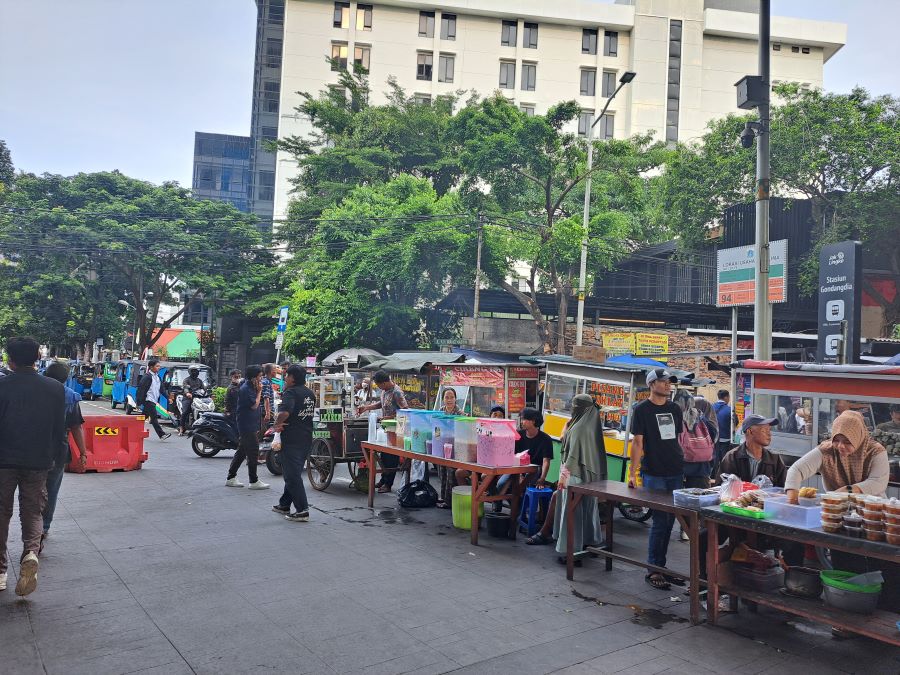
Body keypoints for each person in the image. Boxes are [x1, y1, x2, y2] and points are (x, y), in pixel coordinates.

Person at [0, 337, 66, 596]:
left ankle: (0, 571)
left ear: (10, 360)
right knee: (33, 511)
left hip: (3, 461)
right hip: (39, 461)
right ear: (38, 358)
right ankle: (30, 552)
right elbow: (58, 429)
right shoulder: (54, 388)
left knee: (1, 513)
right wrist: (55, 458)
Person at [628, 368, 684, 591]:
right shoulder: (641, 410)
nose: (668, 385)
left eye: (669, 382)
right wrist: (633, 473)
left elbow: (676, 439)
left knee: (670, 522)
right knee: (660, 521)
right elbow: (637, 443)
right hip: (653, 472)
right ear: (651, 384)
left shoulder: (674, 408)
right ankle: (654, 569)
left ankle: (661, 566)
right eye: (663, 382)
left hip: (676, 470)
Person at [785, 410, 889, 501]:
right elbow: (796, 470)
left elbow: (877, 482)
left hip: (872, 510)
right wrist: (792, 499)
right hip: (836, 509)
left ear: (858, 438)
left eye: (847, 441)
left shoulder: (876, 451)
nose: (840, 446)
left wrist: (847, 490)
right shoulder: (826, 450)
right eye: (836, 440)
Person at [552, 394, 605, 565]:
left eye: (575, 406)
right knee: (588, 511)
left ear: (580, 408)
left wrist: (562, 478)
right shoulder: (590, 425)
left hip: (573, 477)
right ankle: (589, 543)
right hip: (590, 476)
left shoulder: (579, 428)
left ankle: (571, 552)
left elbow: (572, 456)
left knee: (571, 514)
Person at [41, 363, 88, 551]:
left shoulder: (33, 390)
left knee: (30, 492)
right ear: (65, 378)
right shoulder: (70, 396)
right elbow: (76, 427)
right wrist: (83, 453)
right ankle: (43, 528)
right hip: (57, 451)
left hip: (29, 450)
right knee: (51, 491)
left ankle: (31, 529)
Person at [272, 365, 316, 522]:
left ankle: (302, 509)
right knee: (294, 472)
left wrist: (276, 424)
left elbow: (285, 412)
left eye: (286, 376)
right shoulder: (310, 393)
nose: (285, 379)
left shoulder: (290, 392)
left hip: (292, 438)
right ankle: (284, 504)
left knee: (291, 475)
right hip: (306, 437)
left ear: (293, 378)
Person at [494, 408, 554, 512]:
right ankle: (498, 507)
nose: (521, 422)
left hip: (534, 470)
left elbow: (546, 461)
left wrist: (542, 478)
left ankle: (519, 512)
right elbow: (512, 454)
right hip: (516, 468)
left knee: (521, 487)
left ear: (534, 421)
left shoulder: (546, 439)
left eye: (524, 419)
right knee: (501, 484)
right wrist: (519, 474)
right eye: (521, 419)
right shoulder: (519, 435)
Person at [359, 370, 408, 493]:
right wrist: (367, 408)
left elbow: (405, 411)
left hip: (397, 429)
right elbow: (381, 404)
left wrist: (390, 417)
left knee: (392, 457)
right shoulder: (385, 391)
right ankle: (383, 479)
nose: (379, 387)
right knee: (384, 455)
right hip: (387, 428)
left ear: (385, 382)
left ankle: (388, 484)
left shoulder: (397, 392)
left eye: (380, 385)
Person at [225, 365, 270, 490]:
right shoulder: (246, 388)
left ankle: (231, 477)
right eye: (259, 376)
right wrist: (260, 391)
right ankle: (253, 480)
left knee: (242, 451)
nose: (261, 379)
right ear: (254, 377)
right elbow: (254, 405)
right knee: (253, 450)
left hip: (249, 423)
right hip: (246, 424)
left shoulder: (249, 385)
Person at [718, 415, 786, 485]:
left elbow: (783, 488)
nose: (769, 434)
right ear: (750, 431)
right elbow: (721, 487)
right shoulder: (732, 457)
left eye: (769, 430)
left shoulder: (775, 459)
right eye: (764, 430)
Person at [436, 388, 462, 509]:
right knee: (442, 472)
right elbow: (436, 428)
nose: (449, 400)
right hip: (442, 446)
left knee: (451, 473)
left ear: (455, 399)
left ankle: (449, 501)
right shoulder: (440, 411)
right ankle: (443, 497)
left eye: (451, 397)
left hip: (456, 448)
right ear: (443, 399)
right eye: (447, 397)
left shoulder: (460, 414)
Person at [135, 360, 171, 441]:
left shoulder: (157, 377)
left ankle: (133, 429)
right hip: (148, 399)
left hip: (154, 400)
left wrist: (168, 398)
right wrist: (138, 402)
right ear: (151, 367)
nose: (159, 368)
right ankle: (161, 435)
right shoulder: (147, 377)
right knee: (154, 417)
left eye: (159, 366)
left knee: (143, 417)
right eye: (157, 366)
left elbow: (162, 389)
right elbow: (141, 390)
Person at [178, 366, 205, 436]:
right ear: (190, 372)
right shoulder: (186, 380)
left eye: (197, 371)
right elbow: (185, 387)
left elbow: (204, 389)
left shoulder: (199, 381)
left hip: (198, 398)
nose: (196, 372)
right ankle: (181, 428)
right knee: (185, 412)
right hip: (188, 398)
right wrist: (187, 393)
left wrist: (208, 393)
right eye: (194, 371)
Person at [712, 390, 732, 474]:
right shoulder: (730, 410)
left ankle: (713, 476)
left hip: (713, 439)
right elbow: (735, 423)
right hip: (725, 438)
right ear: (726, 397)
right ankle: (723, 476)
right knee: (724, 460)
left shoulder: (711, 407)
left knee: (714, 459)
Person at [260, 363, 276, 434]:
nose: (276, 371)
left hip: (267, 412)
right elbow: (266, 399)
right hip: (264, 413)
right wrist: (267, 413)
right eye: (275, 370)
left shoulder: (268, 381)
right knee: (263, 432)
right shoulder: (266, 382)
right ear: (271, 371)